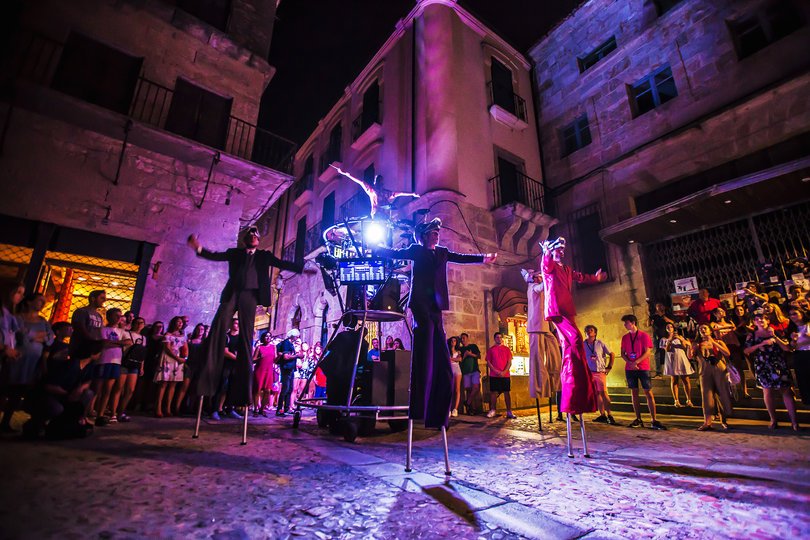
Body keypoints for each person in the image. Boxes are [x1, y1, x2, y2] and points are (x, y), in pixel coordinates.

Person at [374, 218, 496, 428]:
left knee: (440, 347)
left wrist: (483, 258)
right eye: (432, 232)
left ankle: (440, 406)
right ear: (423, 236)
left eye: (437, 233)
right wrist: (377, 249)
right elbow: (396, 253)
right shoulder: (416, 250)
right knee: (427, 343)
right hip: (421, 303)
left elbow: (462, 258)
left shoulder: (442, 252)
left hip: (437, 305)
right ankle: (421, 399)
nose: (436, 235)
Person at [188, 226, 306, 419]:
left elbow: (282, 262)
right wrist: (198, 248)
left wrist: (302, 269)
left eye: (256, 234)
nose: (253, 236)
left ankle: (237, 399)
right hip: (233, 292)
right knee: (219, 325)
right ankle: (207, 371)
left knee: (245, 335)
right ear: (245, 239)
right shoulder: (234, 253)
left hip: (251, 295)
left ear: (258, 240)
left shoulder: (264, 255)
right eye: (250, 234)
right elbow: (216, 256)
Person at [540, 237, 602, 420]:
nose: (560, 253)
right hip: (557, 310)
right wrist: (546, 252)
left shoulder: (566, 269)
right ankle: (573, 379)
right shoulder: (549, 266)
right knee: (575, 339)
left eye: (562, 251)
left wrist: (596, 278)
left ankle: (578, 380)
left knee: (573, 345)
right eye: (557, 250)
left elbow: (581, 277)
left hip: (568, 309)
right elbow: (545, 264)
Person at [22, 339, 101, 440]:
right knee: (56, 408)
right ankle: (35, 423)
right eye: (99, 352)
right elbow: (49, 386)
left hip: (64, 394)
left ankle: (78, 420)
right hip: (48, 395)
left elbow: (88, 381)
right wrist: (68, 394)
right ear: (92, 353)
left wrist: (80, 388)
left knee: (88, 393)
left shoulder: (89, 366)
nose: (100, 354)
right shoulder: (72, 365)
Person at [744, 310, 799, 430]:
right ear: (754, 322)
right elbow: (746, 351)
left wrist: (774, 337)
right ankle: (773, 419)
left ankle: (794, 421)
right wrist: (761, 344)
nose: (760, 321)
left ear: (767, 320)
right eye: (757, 319)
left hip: (778, 364)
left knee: (786, 391)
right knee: (767, 392)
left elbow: (787, 348)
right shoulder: (752, 335)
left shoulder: (776, 332)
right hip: (763, 365)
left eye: (762, 319)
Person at [521, 268, 560, 409]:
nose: (539, 278)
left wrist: (553, 328)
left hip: (545, 328)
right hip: (536, 328)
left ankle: (555, 383)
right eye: (537, 276)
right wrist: (548, 276)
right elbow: (541, 285)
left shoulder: (541, 290)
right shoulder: (534, 288)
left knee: (555, 355)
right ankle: (539, 389)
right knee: (537, 361)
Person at [620, 314, 665, 429]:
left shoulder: (643, 335)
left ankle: (653, 419)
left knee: (648, 392)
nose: (625, 325)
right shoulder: (625, 338)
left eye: (626, 323)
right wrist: (630, 363)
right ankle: (638, 418)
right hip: (630, 368)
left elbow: (647, 352)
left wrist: (636, 362)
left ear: (633, 322)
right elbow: (622, 353)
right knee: (634, 393)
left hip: (643, 367)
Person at [92, 308, 130, 426]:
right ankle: (90, 411)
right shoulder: (103, 329)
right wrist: (119, 343)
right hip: (103, 360)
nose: (119, 318)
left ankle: (101, 414)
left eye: (120, 316)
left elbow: (128, 342)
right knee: (97, 388)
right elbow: (103, 343)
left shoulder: (122, 331)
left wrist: (112, 343)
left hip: (116, 362)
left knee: (108, 389)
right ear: (109, 316)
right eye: (116, 315)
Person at [692, 323, 732, 431]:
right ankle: (707, 422)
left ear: (710, 330)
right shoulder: (697, 344)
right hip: (705, 370)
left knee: (722, 393)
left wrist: (713, 342)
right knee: (706, 395)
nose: (703, 330)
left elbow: (727, 353)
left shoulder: (718, 341)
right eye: (700, 329)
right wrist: (692, 347)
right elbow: (690, 356)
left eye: (705, 328)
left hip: (719, 368)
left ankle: (724, 420)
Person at [0, 283, 25, 433]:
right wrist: (5, 348)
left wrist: (12, 350)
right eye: (19, 292)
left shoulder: (10, 315)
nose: (21, 296)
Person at [154, 316, 187, 418]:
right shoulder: (167, 335)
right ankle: (158, 408)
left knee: (173, 384)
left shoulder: (183, 336)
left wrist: (184, 358)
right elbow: (167, 349)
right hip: (168, 358)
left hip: (177, 360)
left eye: (181, 322)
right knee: (164, 383)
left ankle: (167, 408)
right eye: (178, 322)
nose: (180, 324)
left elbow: (185, 348)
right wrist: (177, 358)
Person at [116, 316, 146, 422]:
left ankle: (121, 411)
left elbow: (142, 353)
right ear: (133, 323)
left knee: (130, 390)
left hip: (135, 364)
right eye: (137, 322)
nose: (139, 324)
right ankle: (113, 411)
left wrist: (142, 367)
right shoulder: (126, 333)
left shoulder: (143, 338)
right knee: (119, 388)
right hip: (124, 362)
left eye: (141, 323)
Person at [583, 325, 615, 424]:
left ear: (595, 333)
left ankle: (610, 414)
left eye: (591, 330)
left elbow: (612, 354)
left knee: (603, 393)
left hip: (600, 371)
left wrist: (609, 367)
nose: (589, 332)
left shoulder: (600, 343)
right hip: (590, 372)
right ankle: (602, 415)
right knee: (597, 393)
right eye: (587, 330)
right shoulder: (583, 344)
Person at [211, 319, 241, 420]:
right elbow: (225, 351)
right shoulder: (226, 336)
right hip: (225, 365)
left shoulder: (241, 338)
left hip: (235, 366)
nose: (237, 325)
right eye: (236, 323)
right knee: (221, 387)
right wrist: (238, 358)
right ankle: (215, 409)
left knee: (232, 387)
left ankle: (229, 409)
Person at [660, 322, 694, 408]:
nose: (669, 328)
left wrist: (681, 339)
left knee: (686, 380)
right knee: (674, 380)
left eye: (671, 326)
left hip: (681, 358)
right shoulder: (664, 339)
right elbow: (666, 349)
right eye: (667, 327)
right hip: (672, 360)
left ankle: (689, 400)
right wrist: (670, 340)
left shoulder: (680, 337)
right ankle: (676, 400)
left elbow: (684, 347)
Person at [485, 332, 515, 419]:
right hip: (494, 375)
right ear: (494, 339)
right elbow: (489, 363)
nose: (499, 339)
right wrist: (496, 371)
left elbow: (509, 362)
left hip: (505, 375)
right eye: (497, 337)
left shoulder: (507, 349)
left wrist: (504, 371)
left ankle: (509, 411)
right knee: (493, 393)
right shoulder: (491, 350)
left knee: (506, 393)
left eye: (500, 337)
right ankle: (493, 410)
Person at [69, 290, 105, 359]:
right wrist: (92, 341)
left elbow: (99, 332)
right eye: (102, 298)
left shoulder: (99, 316)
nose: (104, 300)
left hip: (93, 349)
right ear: (93, 298)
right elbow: (80, 329)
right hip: (80, 348)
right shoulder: (82, 312)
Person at [275, 328, 304, 416]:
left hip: (290, 369)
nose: (297, 338)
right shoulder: (287, 343)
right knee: (285, 389)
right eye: (297, 336)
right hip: (286, 368)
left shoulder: (290, 344)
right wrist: (297, 356)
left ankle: (286, 408)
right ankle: (280, 409)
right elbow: (286, 357)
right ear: (293, 336)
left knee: (289, 389)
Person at [788, 307, 810, 405]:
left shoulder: (808, 325)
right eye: (791, 314)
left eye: (795, 313)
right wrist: (794, 340)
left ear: (801, 313)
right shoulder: (792, 329)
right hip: (800, 355)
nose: (792, 316)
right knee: (804, 382)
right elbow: (792, 346)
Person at [252, 331, 276, 417]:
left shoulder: (273, 347)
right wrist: (259, 358)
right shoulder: (259, 347)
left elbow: (275, 359)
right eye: (266, 336)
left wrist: (281, 356)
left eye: (270, 336)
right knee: (257, 389)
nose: (268, 338)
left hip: (269, 371)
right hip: (260, 370)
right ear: (263, 338)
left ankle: (262, 409)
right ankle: (255, 409)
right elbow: (253, 360)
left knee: (268, 390)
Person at [459, 333, 482, 415]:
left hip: (474, 370)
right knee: (468, 390)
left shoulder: (473, 346)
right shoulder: (460, 349)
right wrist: (465, 355)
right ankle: (470, 409)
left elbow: (479, 356)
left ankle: (467, 403)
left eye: (464, 338)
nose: (462, 340)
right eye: (461, 338)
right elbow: (460, 360)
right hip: (465, 372)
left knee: (476, 388)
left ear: (467, 338)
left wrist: (470, 354)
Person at [649, 302, 674, 378]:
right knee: (657, 353)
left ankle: (672, 369)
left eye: (660, 306)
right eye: (657, 306)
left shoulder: (668, 314)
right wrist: (650, 320)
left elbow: (673, 322)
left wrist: (664, 317)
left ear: (664, 307)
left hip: (668, 336)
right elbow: (648, 324)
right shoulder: (654, 316)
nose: (659, 308)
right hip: (657, 337)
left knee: (669, 352)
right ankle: (659, 372)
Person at [447, 336, 462, 417]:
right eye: (452, 340)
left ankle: (455, 409)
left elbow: (459, 359)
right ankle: (448, 409)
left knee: (457, 389)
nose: (453, 342)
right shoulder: (447, 351)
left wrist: (451, 359)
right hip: (449, 369)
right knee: (450, 389)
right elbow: (446, 359)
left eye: (455, 341)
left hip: (457, 369)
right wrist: (454, 359)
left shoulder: (458, 351)